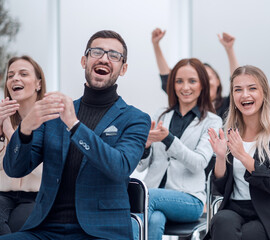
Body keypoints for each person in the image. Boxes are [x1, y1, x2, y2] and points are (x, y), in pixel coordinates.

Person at [1, 30, 151, 240]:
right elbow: (15, 168)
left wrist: (74, 125)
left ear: (123, 68)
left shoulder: (135, 119)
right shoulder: (53, 115)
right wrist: (25, 130)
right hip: (45, 229)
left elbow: (120, 168)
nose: (104, 59)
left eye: (114, 55)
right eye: (97, 52)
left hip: (102, 233)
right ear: (84, 61)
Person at [205, 65, 270, 240]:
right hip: (233, 209)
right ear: (233, 96)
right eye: (238, 90)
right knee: (221, 221)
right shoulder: (230, 132)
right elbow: (219, 188)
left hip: (269, 212)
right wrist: (221, 157)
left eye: (252, 88)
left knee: (251, 233)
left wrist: (243, 156)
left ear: (264, 93)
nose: (245, 95)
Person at [135, 58, 222, 240]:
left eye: (192, 81)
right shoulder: (160, 115)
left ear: (202, 86)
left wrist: (168, 139)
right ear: (173, 85)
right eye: (179, 81)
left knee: (144, 197)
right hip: (156, 196)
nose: (185, 87)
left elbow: (198, 164)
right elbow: (141, 167)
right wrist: (145, 147)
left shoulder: (212, 121)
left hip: (188, 199)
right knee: (155, 220)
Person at [0, 56, 45, 235]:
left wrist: (12, 135)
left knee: (20, 229)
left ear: (38, 84)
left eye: (23, 74)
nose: (15, 79)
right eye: (10, 76)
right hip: (3, 195)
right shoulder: (2, 119)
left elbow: (41, 169)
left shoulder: (52, 121)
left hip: (36, 197)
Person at [151, 28, 239, 119]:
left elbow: (238, 81)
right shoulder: (187, 101)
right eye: (197, 80)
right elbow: (167, 78)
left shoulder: (227, 105)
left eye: (208, 78)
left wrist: (229, 49)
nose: (205, 83)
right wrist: (156, 45)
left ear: (217, 81)